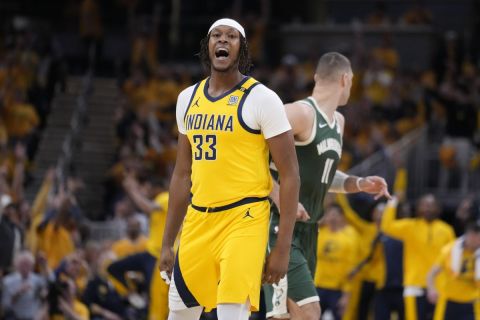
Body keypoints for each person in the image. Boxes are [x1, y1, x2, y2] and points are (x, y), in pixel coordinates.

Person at [159, 18, 300, 320]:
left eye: (231, 37)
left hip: (245, 217)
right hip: (198, 219)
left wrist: (283, 247)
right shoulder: (187, 99)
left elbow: (290, 175)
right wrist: (167, 243)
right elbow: (182, 174)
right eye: (216, 36)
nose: (223, 41)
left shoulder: (262, 99)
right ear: (207, 46)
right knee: (179, 313)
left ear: (242, 48)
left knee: (231, 312)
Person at [264, 52, 391, 320]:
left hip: (309, 230)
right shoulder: (299, 112)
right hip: (277, 224)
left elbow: (323, 175)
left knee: (287, 315)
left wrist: (358, 183)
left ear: (316, 77)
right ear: (346, 79)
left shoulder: (338, 122)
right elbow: (248, 155)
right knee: (309, 313)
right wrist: (279, 196)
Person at [381, 194, 455, 320]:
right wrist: (392, 203)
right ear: (418, 208)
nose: (428, 209)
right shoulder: (410, 226)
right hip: (414, 285)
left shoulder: (446, 230)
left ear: (438, 208)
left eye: (431, 205)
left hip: (439, 286)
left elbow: (451, 259)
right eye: (424, 205)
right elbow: (386, 227)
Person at [108, 174, 169, 320]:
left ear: (156, 188)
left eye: (146, 188)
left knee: (157, 302)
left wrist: (132, 189)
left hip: (158, 257)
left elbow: (146, 206)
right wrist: (134, 188)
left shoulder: (166, 197)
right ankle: (132, 294)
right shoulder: (160, 200)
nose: (144, 191)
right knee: (113, 268)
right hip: (149, 254)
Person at [427, 221, 480, 320]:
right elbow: (432, 273)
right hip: (449, 302)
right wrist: (431, 289)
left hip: (471, 303)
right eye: (475, 237)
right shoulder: (450, 250)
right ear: (468, 235)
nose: (477, 241)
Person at [314, 204, 359, 320]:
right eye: (330, 214)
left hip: (337, 289)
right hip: (317, 286)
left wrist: (346, 296)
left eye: (335, 215)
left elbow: (351, 270)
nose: (332, 218)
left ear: (342, 217)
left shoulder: (349, 236)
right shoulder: (320, 232)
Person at [1, 251, 47, 320]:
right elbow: (6, 305)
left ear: (32, 266)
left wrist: (44, 265)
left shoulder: (37, 280)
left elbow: (51, 282)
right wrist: (18, 293)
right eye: (23, 264)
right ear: (17, 265)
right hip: (14, 316)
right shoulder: (8, 281)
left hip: (32, 317)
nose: (26, 267)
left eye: (28, 264)